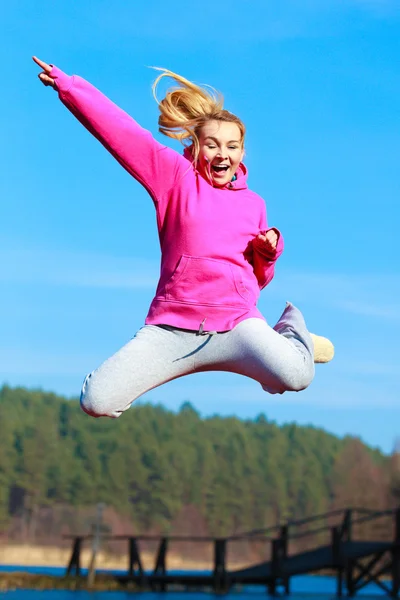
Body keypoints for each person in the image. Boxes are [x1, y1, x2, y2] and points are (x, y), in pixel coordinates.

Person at [33, 56, 334, 419]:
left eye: (232, 146)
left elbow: (257, 280)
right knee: (97, 400)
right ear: (195, 147)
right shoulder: (175, 178)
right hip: (174, 326)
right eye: (213, 144)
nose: (222, 153)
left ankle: (289, 331)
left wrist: (266, 253)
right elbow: (123, 134)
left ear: (241, 154)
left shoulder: (254, 204)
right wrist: (70, 87)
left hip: (238, 325)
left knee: (298, 374)